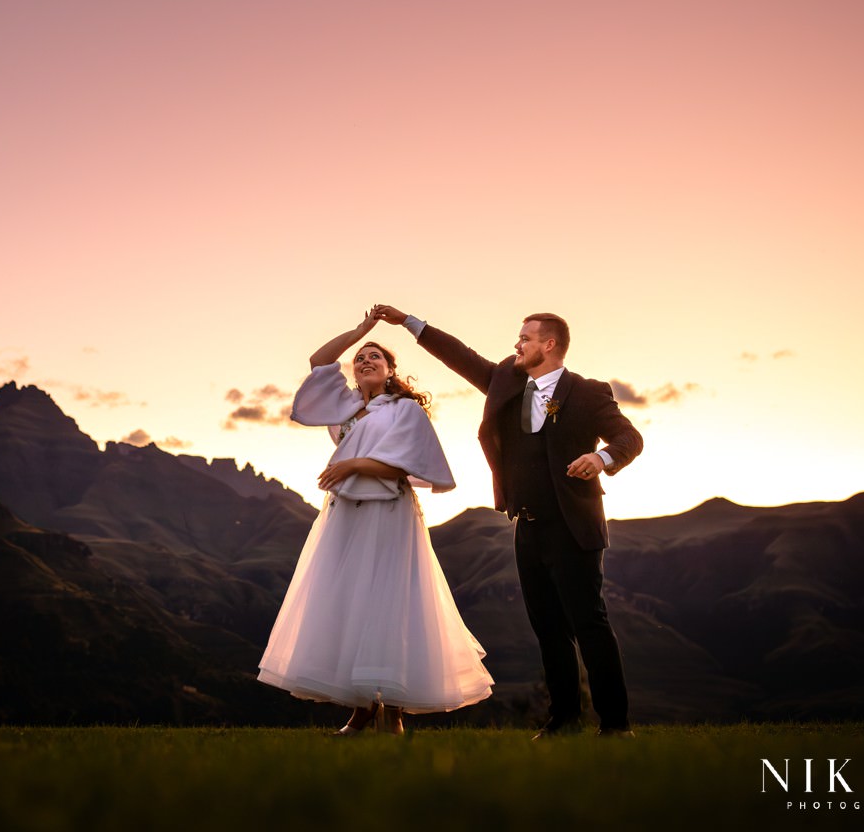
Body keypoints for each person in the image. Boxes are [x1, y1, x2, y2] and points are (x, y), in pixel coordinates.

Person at [372, 305, 642, 738]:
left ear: (549, 345)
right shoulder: (506, 381)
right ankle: (565, 720)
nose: (517, 344)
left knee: (589, 624)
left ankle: (615, 725)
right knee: (548, 629)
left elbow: (630, 438)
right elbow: (460, 356)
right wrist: (409, 322)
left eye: (526, 338)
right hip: (527, 526)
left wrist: (601, 457)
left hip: (573, 527)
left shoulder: (590, 393)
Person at [257, 310, 494, 735]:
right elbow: (318, 362)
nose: (365, 361)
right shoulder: (345, 408)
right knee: (350, 602)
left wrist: (351, 465)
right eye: (360, 359)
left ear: (390, 372)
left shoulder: (404, 410)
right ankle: (361, 708)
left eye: (375, 358)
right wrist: (361, 332)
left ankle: (394, 709)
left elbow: (403, 467)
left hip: (389, 512)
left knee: (390, 603)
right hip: (346, 513)